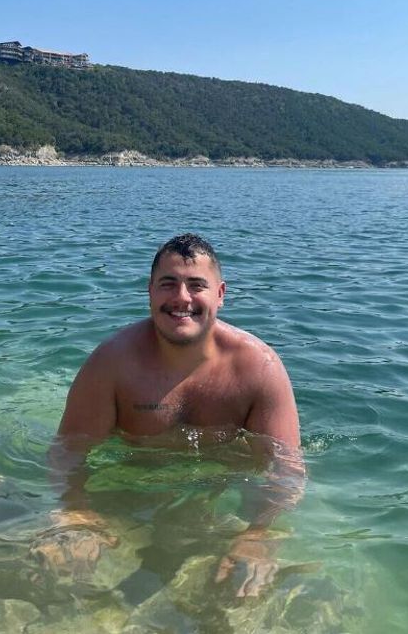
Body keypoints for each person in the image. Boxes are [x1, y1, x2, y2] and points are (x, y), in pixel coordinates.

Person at [33, 233, 305, 597]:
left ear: (221, 294)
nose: (182, 298)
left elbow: (287, 468)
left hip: (217, 493)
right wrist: (77, 513)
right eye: (168, 284)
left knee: (242, 596)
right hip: (130, 491)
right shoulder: (112, 365)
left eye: (196, 286)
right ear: (149, 291)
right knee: (60, 581)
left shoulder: (259, 369)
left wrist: (259, 534)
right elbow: (68, 451)